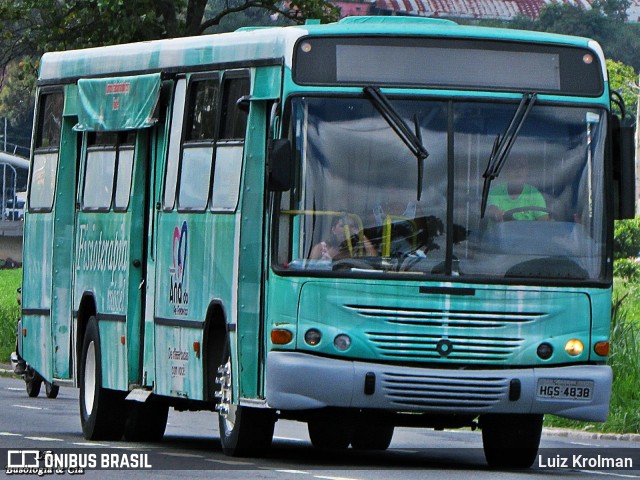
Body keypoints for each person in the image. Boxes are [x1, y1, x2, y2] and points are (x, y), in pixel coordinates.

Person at [486, 156, 549, 222]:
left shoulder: (535, 195)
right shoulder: (496, 193)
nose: (517, 171)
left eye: (521, 166)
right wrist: (495, 213)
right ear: (506, 170)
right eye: (513, 166)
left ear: (527, 170)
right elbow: (492, 209)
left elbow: (544, 224)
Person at [310, 215, 377, 260]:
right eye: (342, 226)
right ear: (333, 230)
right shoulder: (322, 249)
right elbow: (310, 269)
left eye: (351, 226)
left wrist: (362, 236)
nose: (347, 230)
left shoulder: (357, 250)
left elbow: (374, 259)